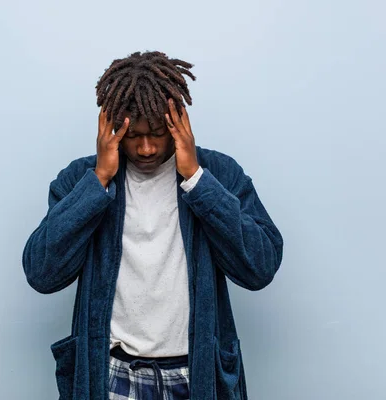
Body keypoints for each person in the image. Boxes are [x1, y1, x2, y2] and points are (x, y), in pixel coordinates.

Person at [22, 51, 284, 400]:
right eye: (134, 135)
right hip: (112, 373)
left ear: (178, 121)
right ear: (112, 125)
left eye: (158, 134)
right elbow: (42, 273)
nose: (146, 148)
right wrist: (99, 180)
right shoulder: (81, 180)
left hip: (197, 375)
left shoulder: (218, 174)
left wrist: (196, 180)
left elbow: (260, 267)